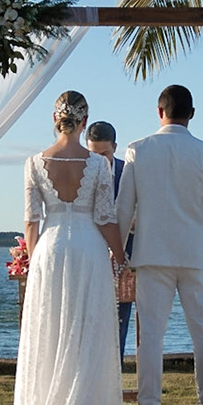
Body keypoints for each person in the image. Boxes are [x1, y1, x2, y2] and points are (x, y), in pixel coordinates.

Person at [115, 84, 203, 405]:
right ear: (192, 114)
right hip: (196, 255)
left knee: (150, 336)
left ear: (159, 111)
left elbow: (124, 208)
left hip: (152, 254)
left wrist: (119, 255)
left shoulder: (138, 150)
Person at [11, 92, 128, 405]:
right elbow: (106, 218)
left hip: (49, 247)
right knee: (87, 324)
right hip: (89, 248)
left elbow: (31, 221)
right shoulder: (97, 164)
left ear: (54, 118)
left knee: (50, 324)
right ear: (85, 120)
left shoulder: (33, 163)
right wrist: (121, 258)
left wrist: (33, 261)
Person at [87, 120, 138, 359]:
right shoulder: (80, 173)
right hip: (89, 256)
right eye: (93, 153)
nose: (98, 160)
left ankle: (114, 373)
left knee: (120, 322)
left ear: (115, 148)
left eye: (104, 154)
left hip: (125, 258)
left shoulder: (130, 172)